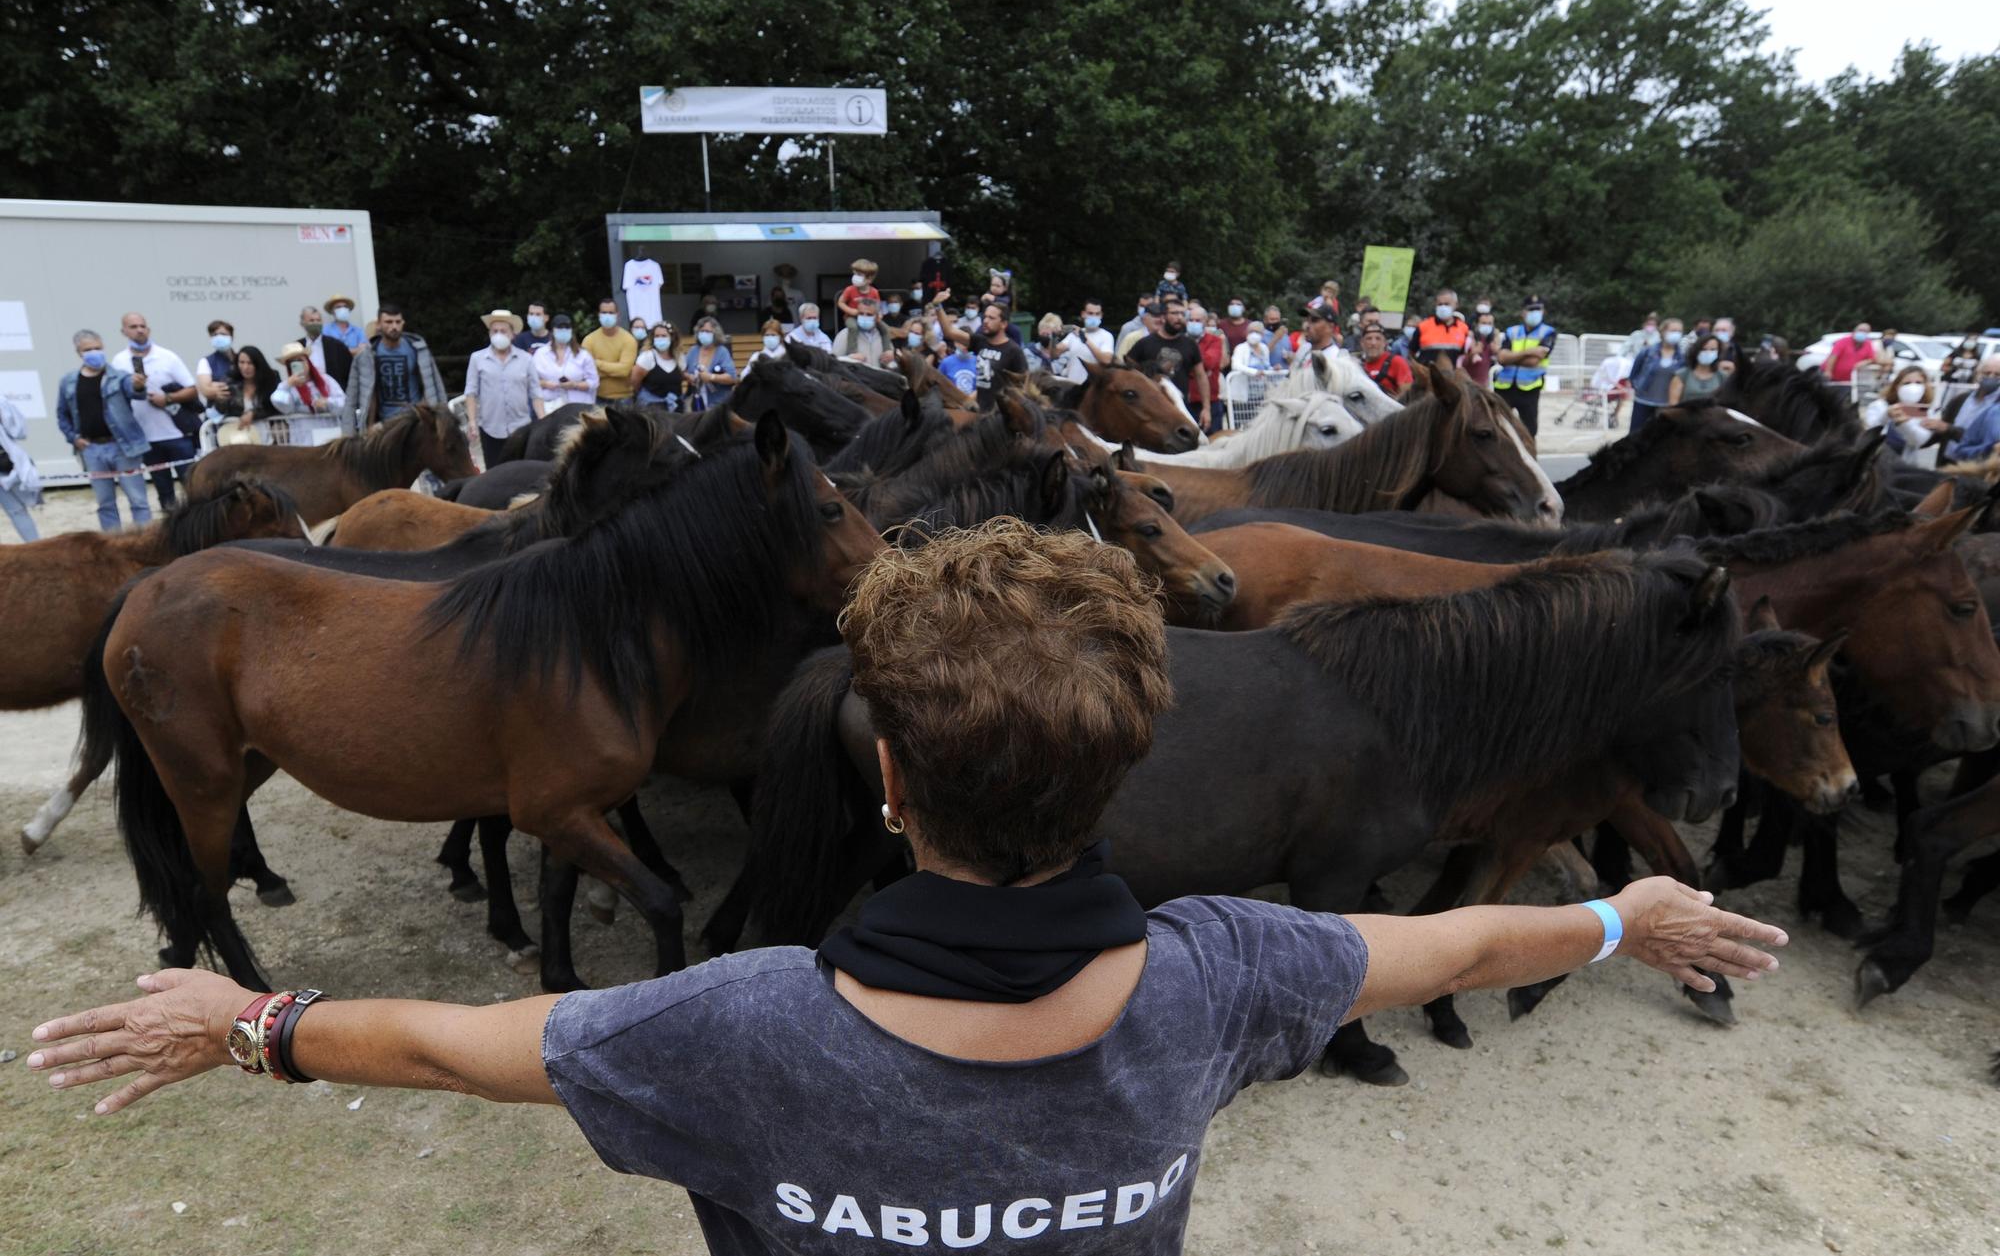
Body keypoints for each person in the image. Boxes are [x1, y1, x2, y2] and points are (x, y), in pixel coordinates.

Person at [25, 520, 1788, 1256]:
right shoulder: (1230, 970)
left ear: (879, 777)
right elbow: (1455, 938)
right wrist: (1632, 917)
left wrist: (244, 1019)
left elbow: (451, 1048)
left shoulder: (732, 1022)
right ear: (1127, 775)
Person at [56, 330, 152, 530]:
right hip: (92, 449)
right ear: (78, 352)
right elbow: (62, 414)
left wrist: (139, 386)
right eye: (88, 349)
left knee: (138, 500)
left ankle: (144, 541)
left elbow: (136, 393)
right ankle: (113, 544)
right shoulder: (69, 382)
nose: (94, 353)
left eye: (98, 348)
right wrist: (74, 439)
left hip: (124, 447)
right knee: (105, 503)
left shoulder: (119, 377)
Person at [112, 312, 198, 510]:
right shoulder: (119, 362)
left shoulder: (167, 356)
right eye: (133, 327)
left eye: (142, 326)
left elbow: (192, 389)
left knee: (192, 487)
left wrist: (167, 399)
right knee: (163, 490)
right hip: (145, 437)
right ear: (123, 331)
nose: (139, 330)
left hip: (176, 434)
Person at [348, 304, 448, 431]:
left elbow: (437, 386)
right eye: (388, 322)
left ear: (403, 323)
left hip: (416, 419)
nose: (394, 326)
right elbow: (352, 397)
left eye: (397, 322)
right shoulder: (367, 356)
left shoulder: (418, 350)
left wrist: (443, 419)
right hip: (384, 424)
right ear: (378, 324)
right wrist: (361, 428)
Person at [465, 310, 544, 468]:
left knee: (520, 471)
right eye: (495, 331)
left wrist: (543, 421)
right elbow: (471, 392)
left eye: (503, 331)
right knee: (494, 472)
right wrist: (472, 421)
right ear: (489, 333)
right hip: (490, 427)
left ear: (512, 334)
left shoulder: (526, 359)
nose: (498, 334)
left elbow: (535, 393)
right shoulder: (477, 359)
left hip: (520, 426)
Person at [1128, 301, 1210, 426]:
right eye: (1174, 313)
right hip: (1150, 410)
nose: (1179, 317)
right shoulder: (1144, 344)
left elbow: (1201, 376)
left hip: (1180, 407)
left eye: (1182, 313)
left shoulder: (1190, 344)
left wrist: (1206, 408)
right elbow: (1128, 371)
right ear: (1163, 316)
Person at [1493, 295, 1556, 437]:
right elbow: (1501, 358)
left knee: (1529, 431)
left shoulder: (1548, 332)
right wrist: (1530, 351)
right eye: (1531, 309)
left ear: (1543, 311)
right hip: (1504, 386)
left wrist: (1511, 356)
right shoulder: (1512, 331)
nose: (1534, 312)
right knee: (1498, 427)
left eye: (1538, 309)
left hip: (1530, 388)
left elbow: (1534, 361)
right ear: (1523, 312)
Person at [1861, 366, 1947, 465]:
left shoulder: (1926, 411)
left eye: (1918, 383)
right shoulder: (1880, 405)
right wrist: (1886, 415)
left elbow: (1919, 440)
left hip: (1905, 466)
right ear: (1897, 386)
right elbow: (1870, 428)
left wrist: (1904, 423)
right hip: (1876, 462)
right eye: (1907, 383)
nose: (1913, 387)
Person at [1626, 317, 1684, 436]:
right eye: (1673, 330)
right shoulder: (1647, 352)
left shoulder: (1682, 357)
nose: (1676, 334)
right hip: (1643, 401)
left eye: (1679, 331)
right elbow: (1634, 373)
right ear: (1663, 331)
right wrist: (1637, 387)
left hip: (1666, 404)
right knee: (1637, 435)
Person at [0, 390, 44, 542]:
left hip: (5, 466)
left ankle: (35, 548)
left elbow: (18, 431)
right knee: (16, 511)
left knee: (16, 510)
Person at [966, 302, 1030, 405]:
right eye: (985, 317)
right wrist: (938, 306)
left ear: (1003, 324)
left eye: (991, 318)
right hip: (980, 409)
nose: (985, 321)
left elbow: (1024, 384)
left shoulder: (1014, 350)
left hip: (1000, 412)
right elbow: (949, 332)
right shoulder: (980, 341)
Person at [534, 315, 600, 413]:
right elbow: (531, 380)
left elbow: (594, 382)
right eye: (560, 328)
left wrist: (575, 385)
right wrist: (545, 384)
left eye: (567, 328)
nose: (563, 330)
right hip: (550, 407)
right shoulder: (541, 354)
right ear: (552, 331)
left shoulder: (583, 355)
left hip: (578, 407)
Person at [1941, 356, 2000, 463]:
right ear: (1978, 374)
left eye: (1997, 375)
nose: (1991, 377)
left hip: (1977, 468)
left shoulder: (1996, 408)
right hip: (1949, 462)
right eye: (1987, 373)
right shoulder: (1960, 399)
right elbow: (1942, 429)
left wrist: (1949, 429)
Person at [584, 297, 639, 407]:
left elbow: (624, 371)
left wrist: (597, 363)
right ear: (599, 314)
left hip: (624, 399)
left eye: (610, 312)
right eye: (604, 312)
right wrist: (614, 369)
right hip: (597, 398)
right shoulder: (589, 340)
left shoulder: (628, 340)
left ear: (617, 314)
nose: (607, 316)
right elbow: (587, 372)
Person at [270, 341, 346, 416]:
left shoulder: (326, 379)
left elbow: (344, 402)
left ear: (308, 362)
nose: (298, 365)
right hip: (303, 427)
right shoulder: (288, 387)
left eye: (300, 360)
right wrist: (287, 384)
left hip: (329, 426)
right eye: (292, 363)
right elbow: (280, 404)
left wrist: (327, 402)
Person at [1185, 304, 1227, 433]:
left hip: (1210, 402)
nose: (1194, 323)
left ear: (1205, 322)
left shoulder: (1214, 341)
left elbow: (1209, 363)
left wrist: (1188, 363)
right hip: (1186, 402)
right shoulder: (1181, 341)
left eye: (1198, 320)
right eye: (1191, 320)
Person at [297, 304, 355, 392]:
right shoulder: (297, 347)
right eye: (311, 320)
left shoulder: (337, 346)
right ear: (302, 323)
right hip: (307, 395)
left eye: (318, 320)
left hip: (334, 396)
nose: (315, 323)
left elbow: (349, 374)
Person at [684, 316, 737, 412]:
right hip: (696, 404)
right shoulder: (693, 350)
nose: (704, 334)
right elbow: (682, 370)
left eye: (708, 331)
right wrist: (689, 377)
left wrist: (711, 377)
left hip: (718, 404)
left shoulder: (722, 352)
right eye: (702, 331)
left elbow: (732, 377)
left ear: (715, 333)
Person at [1667, 332, 1729, 408]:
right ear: (1696, 350)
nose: (1708, 352)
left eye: (1713, 349)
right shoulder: (1682, 375)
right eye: (1704, 349)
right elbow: (1673, 405)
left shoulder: (1722, 376)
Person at [632, 324, 687, 408]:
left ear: (672, 338)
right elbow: (635, 381)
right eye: (657, 336)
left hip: (676, 406)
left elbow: (682, 376)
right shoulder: (647, 357)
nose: (660, 338)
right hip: (652, 407)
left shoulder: (680, 357)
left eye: (664, 336)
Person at [1413, 288, 1470, 368]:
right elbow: (1411, 352)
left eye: (1447, 304)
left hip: (1451, 378)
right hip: (1427, 377)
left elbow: (1464, 356)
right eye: (1440, 304)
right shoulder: (1423, 326)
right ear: (1435, 305)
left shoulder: (1464, 329)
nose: (1443, 307)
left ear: (1456, 305)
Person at [1821, 323, 1891, 385]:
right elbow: (1833, 356)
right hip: (1832, 377)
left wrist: (1864, 362)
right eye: (1860, 330)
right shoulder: (1843, 341)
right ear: (1855, 330)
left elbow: (1872, 358)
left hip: (1848, 380)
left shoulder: (1868, 344)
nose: (1862, 332)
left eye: (1865, 331)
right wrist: (1828, 371)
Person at [1355, 323, 1413, 396]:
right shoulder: (1356, 365)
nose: (1373, 343)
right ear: (1362, 343)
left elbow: (1407, 395)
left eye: (1378, 339)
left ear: (1385, 343)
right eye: (1369, 339)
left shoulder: (1397, 362)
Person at [194, 319, 239, 413]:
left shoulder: (241, 359)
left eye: (223, 334)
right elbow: (205, 390)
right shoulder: (206, 361)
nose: (219, 337)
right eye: (215, 335)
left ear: (231, 336)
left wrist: (215, 384)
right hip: (218, 415)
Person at [832, 298, 892, 367]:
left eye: (869, 314)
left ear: (877, 316)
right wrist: (849, 359)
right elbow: (833, 362)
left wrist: (891, 358)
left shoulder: (883, 335)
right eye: (861, 313)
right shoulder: (844, 335)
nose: (864, 317)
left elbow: (890, 360)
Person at [1588, 348, 1633, 426]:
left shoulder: (1609, 362)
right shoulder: (1625, 365)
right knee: (1622, 397)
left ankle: (1613, 416)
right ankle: (1614, 415)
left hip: (1604, 390)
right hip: (1609, 392)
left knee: (1621, 395)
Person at [1463, 307, 1500, 387]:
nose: (1486, 326)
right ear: (1477, 324)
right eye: (1483, 323)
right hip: (1470, 385)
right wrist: (1472, 354)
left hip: (1487, 386)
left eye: (1489, 324)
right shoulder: (1469, 339)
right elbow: (1462, 363)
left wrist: (1497, 352)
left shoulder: (1495, 341)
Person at [837, 258, 882, 323]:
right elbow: (840, 302)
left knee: (884, 328)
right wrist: (851, 311)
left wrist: (879, 315)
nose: (855, 277)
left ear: (869, 279)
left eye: (859, 275)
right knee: (854, 328)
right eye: (855, 274)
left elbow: (878, 305)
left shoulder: (874, 292)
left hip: (869, 317)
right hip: (852, 317)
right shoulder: (849, 289)